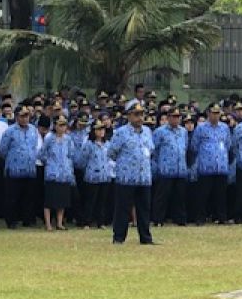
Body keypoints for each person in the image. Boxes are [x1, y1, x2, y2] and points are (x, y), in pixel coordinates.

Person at [109, 105, 155, 245]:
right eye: (136, 114)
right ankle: (119, 237)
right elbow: (112, 152)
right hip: (126, 177)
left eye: (141, 114)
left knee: (144, 209)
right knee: (123, 209)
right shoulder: (121, 133)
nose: (140, 117)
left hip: (144, 177)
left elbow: (151, 149)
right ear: (129, 116)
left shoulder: (147, 131)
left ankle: (145, 238)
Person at [0, 108, 39, 228]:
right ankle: (11, 221)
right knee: (12, 197)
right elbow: (3, 150)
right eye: (22, 116)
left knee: (29, 196)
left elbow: (34, 146)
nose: (25, 118)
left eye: (27, 116)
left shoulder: (33, 130)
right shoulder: (9, 131)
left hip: (29, 169)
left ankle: (27, 219)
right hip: (14, 169)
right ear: (16, 117)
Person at [188, 104, 230, 224]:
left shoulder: (225, 128)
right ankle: (200, 218)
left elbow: (228, 144)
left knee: (221, 195)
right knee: (203, 195)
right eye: (213, 113)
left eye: (218, 113)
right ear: (208, 113)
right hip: (205, 166)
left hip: (221, 166)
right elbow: (194, 146)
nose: (215, 115)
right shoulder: (201, 128)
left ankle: (221, 217)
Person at [151, 108, 188, 226]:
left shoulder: (183, 131)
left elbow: (185, 147)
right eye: (174, 116)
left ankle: (180, 219)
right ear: (168, 117)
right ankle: (158, 219)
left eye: (178, 116)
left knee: (180, 196)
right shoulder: (160, 131)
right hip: (165, 168)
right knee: (162, 196)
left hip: (180, 168)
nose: (176, 119)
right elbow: (154, 149)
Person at [38, 116, 77, 231]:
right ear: (55, 126)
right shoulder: (49, 138)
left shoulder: (68, 139)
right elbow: (42, 154)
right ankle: (48, 224)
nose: (62, 127)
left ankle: (59, 223)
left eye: (64, 125)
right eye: (60, 125)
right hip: (52, 172)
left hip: (64, 172)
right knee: (49, 200)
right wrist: (50, 163)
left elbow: (71, 155)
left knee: (62, 200)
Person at [76, 120, 113, 229]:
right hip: (92, 175)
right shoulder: (89, 144)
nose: (101, 131)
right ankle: (87, 221)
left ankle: (101, 222)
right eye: (99, 129)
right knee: (90, 200)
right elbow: (83, 160)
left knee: (102, 201)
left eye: (103, 129)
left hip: (105, 175)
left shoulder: (107, 144)